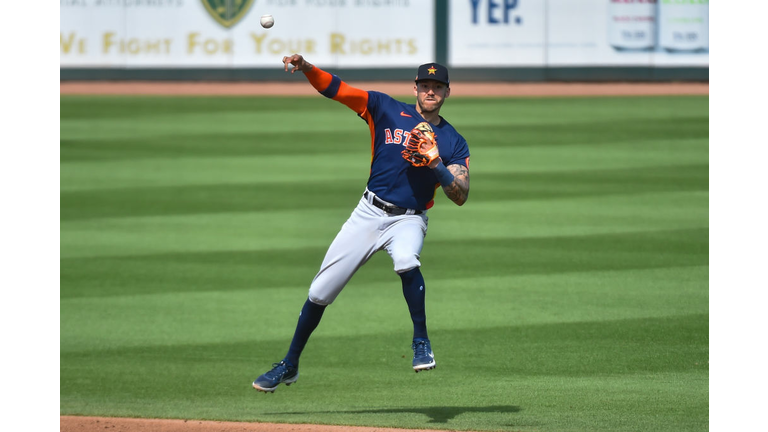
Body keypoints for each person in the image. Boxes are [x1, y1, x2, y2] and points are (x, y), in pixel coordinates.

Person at [252, 54, 470, 393]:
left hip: (408, 220)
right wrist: (308, 68)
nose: (430, 91)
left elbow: (461, 194)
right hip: (368, 213)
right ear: (415, 87)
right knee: (319, 292)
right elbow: (338, 90)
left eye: (437, 87)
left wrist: (436, 164)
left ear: (447, 93)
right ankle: (289, 364)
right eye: (425, 85)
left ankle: (421, 341)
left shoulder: (454, 141)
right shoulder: (384, 108)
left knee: (406, 259)